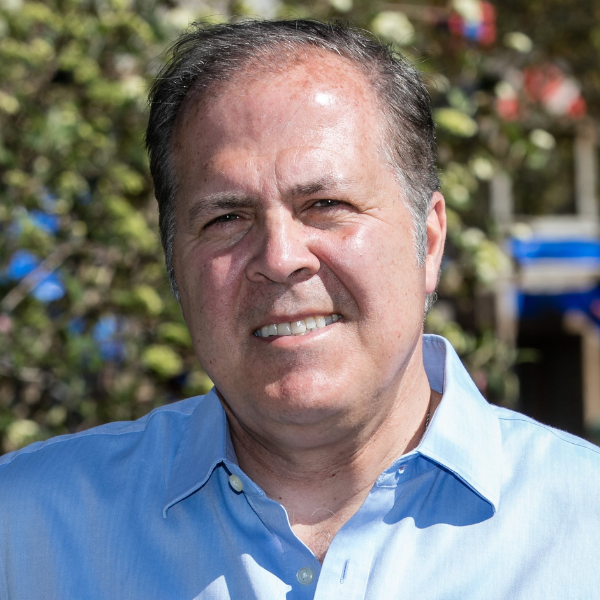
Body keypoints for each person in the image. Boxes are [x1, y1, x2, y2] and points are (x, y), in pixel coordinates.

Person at [0, 19, 598, 600]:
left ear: (430, 242)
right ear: (173, 264)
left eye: (326, 204)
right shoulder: (24, 533)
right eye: (226, 217)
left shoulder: (584, 526)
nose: (280, 258)